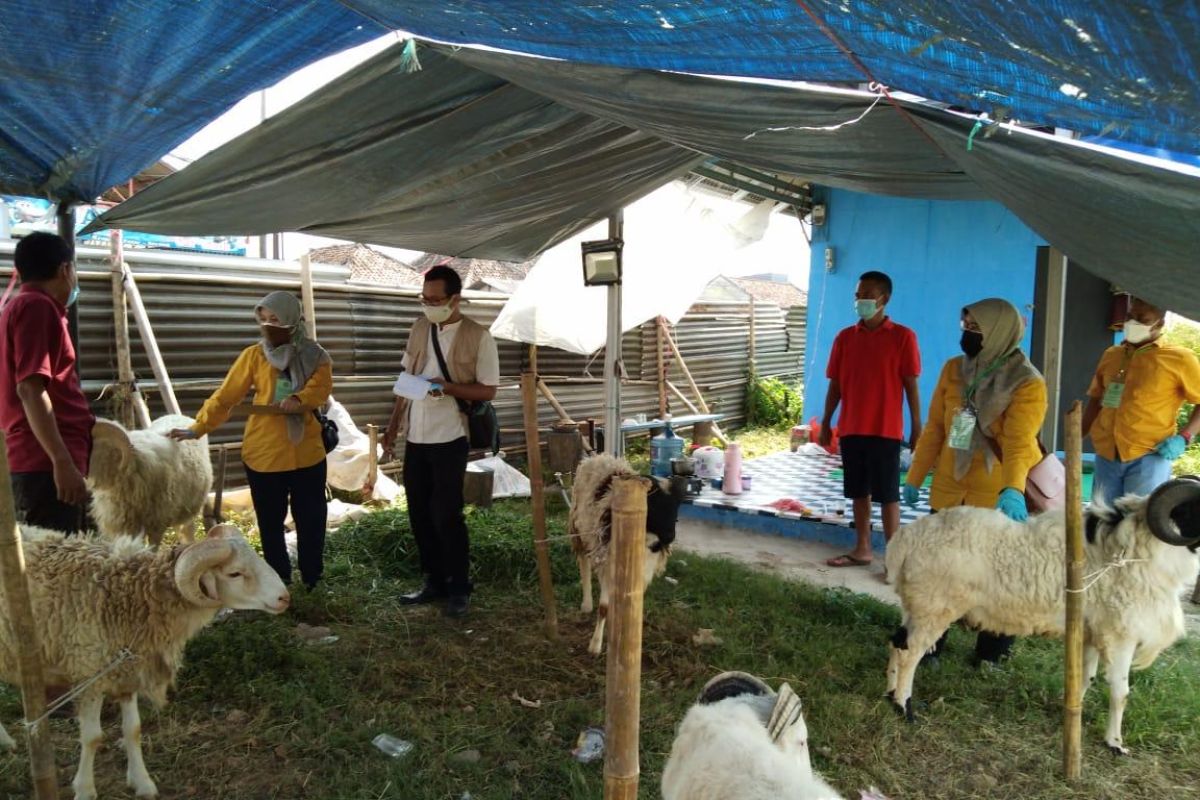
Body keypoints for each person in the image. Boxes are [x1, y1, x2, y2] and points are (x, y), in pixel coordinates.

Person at [903, 298, 1047, 665]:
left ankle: (991, 653)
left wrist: (1012, 490)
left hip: (994, 495)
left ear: (999, 332)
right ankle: (930, 645)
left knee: (996, 579)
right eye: (965, 327)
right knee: (939, 572)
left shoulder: (1027, 383)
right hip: (950, 488)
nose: (966, 335)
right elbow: (936, 427)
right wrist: (915, 476)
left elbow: (1019, 443)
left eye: (975, 330)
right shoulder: (954, 370)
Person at [169, 292, 332, 590]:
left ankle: (313, 578)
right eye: (264, 320)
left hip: (307, 453)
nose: (269, 326)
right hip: (264, 454)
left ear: (293, 319)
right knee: (270, 523)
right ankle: (277, 579)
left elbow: (321, 390)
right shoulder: (254, 356)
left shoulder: (315, 355)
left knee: (312, 519)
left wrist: (300, 399)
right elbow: (226, 396)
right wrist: (199, 427)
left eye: (277, 319)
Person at [382, 265, 499, 618]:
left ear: (454, 299)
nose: (428, 305)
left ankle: (459, 587)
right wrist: (391, 429)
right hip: (415, 436)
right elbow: (405, 381)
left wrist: (446, 387)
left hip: (450, 436)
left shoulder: (479, 336)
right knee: (418, 513)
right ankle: (433, 581)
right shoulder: (419, 328)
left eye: (435, 300)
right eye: (424, 299)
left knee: (446, 515)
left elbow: (488, 389)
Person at [820, 270, 921, 568]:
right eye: (857, 294)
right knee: (858, 491)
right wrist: (826, 421)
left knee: (888, 494)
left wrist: (917, 425)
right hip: (851, 428)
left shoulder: (903, 337)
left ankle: (894, 558)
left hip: (886, 430)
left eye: (866, 294)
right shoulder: (844, 338)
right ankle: (862, 548)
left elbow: (911, 385)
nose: (860, 300)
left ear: (883, 299)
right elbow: (835, 385)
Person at [0, 231, 93, 533]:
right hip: (44, 466)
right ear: (64, 269)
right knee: (58, 569)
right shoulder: (37, 308)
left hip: (37, 462)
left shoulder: (16, 309)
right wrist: (61, 461)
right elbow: (29, 389)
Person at [1082, 295, 1200, 501]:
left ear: (1160, 323)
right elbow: (1096, 399)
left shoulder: (1180, 359)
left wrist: (1185, 436)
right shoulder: (1112, 354)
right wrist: (1077, 435)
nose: (1133, 323)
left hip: (1149, 456)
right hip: (1106, 455)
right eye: (1130, 316)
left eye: (1142, 319)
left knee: (1138, 525)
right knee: (1102, 524)